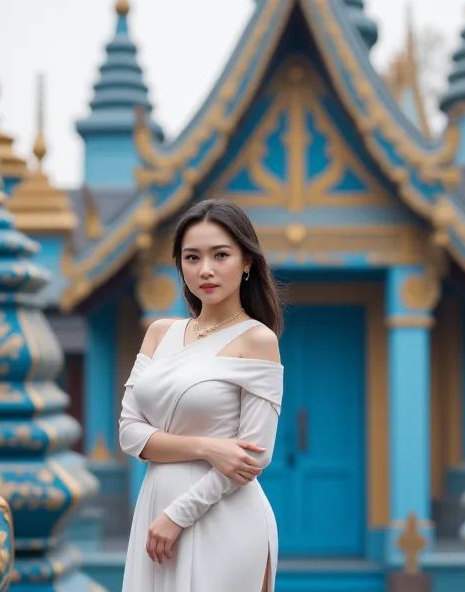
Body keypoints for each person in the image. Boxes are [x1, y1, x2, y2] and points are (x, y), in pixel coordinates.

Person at [118, 198, 284, 592]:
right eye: (192, 258)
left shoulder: (257, 340)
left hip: (221, 518)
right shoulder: (160, 333)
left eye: (220, 255)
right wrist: (210, 448)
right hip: (154, 508)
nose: (205, 269)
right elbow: (128, 433)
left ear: (247, 262)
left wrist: (177, 515)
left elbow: (253, 456)